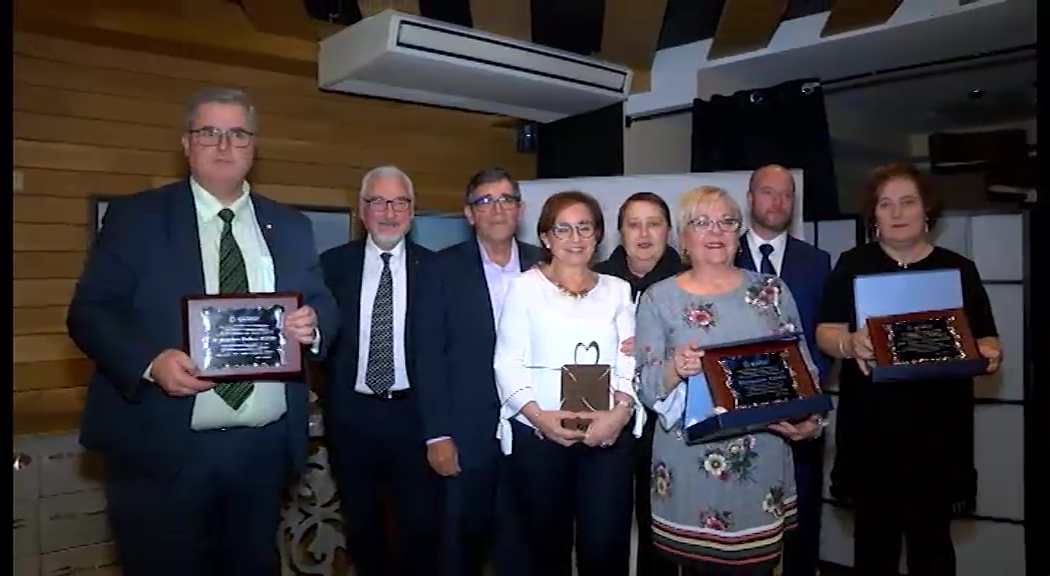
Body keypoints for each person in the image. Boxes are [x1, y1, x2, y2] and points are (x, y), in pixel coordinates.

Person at [66, 87, 340, 576]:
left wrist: (314, 324)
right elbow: (90, 312)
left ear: (254, 146)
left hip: (261, 453)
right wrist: (150, 362)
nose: (223, 145)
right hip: (164, 452)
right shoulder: (137, 218)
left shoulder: (290, 225)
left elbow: (321, 302)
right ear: (186, 143)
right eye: (209, 132)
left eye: (237, 133)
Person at [814, 163, 1003, 576]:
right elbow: (825, 331)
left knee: (932, 548)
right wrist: (849, 343)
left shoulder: (959, 269)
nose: (897, 213)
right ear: (874, 215)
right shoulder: (852, 263)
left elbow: (989, 341)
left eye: (907, 202)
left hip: (938, 431)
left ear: (926, 211)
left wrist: (986, 354)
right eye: (886, 204)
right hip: (871, 428)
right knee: (872, 547)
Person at [634, 186, 824, 576]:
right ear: (683, 236)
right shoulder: (659, 298)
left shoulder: (771, 291)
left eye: (726, 221)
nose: (715, 231)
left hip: (763, 460)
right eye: (701, 222)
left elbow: (804, 368)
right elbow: (646, 384)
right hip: (691, 466)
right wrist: (676, 366)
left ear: (739, 233)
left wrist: (810, 422)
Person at [493, 190, 646, 576]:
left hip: (607, 437)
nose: (575, 238)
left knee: (604, 546)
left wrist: (620, 412)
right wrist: (539, 417)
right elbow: (506, 361)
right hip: (540, 435)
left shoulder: (618, 290)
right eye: (563, 229)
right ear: (546, 237)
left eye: (584, 228)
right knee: (545, 549)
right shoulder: (524, 287)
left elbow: (631, 356)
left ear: (597, 235)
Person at [415, 168, 542, 576]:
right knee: (459, 547)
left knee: (526, 543)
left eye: (506, 199)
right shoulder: (439, 269)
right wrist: (438, 434)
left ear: (519, 209)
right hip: (465, 436)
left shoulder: (547, 266)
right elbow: (429, 355)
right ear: (469, 214)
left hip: (534, 430)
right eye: (485, 200)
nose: (497, 208)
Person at [319, 165, 441, 576]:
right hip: (352, 418)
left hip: (415, 418)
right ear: (360, 209)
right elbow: (317, 343)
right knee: (363, 528)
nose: (389, 212)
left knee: (421, 530)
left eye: (399, 202)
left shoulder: (437, 271)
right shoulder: (330, 267)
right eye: (378, 201)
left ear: (413, 209)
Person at [735, 165, 831, 576]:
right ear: (750, 197)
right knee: (739, 525)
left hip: (800, 416)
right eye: (768, 192)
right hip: (735, 416)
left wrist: (811, 405)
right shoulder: (721, 251)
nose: (777, 202)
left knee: (802, 522)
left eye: (786, 194)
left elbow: (822, 338)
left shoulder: (818, 261)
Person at [592, 192, 687, 576]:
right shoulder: (596, 279)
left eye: (654, 223)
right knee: (604, 525)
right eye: (634, 224)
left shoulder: (689, 282)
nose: (644, 233)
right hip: (607, 415)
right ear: (620, 232)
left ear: (669, 231)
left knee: (660, 529)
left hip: (668, 422)